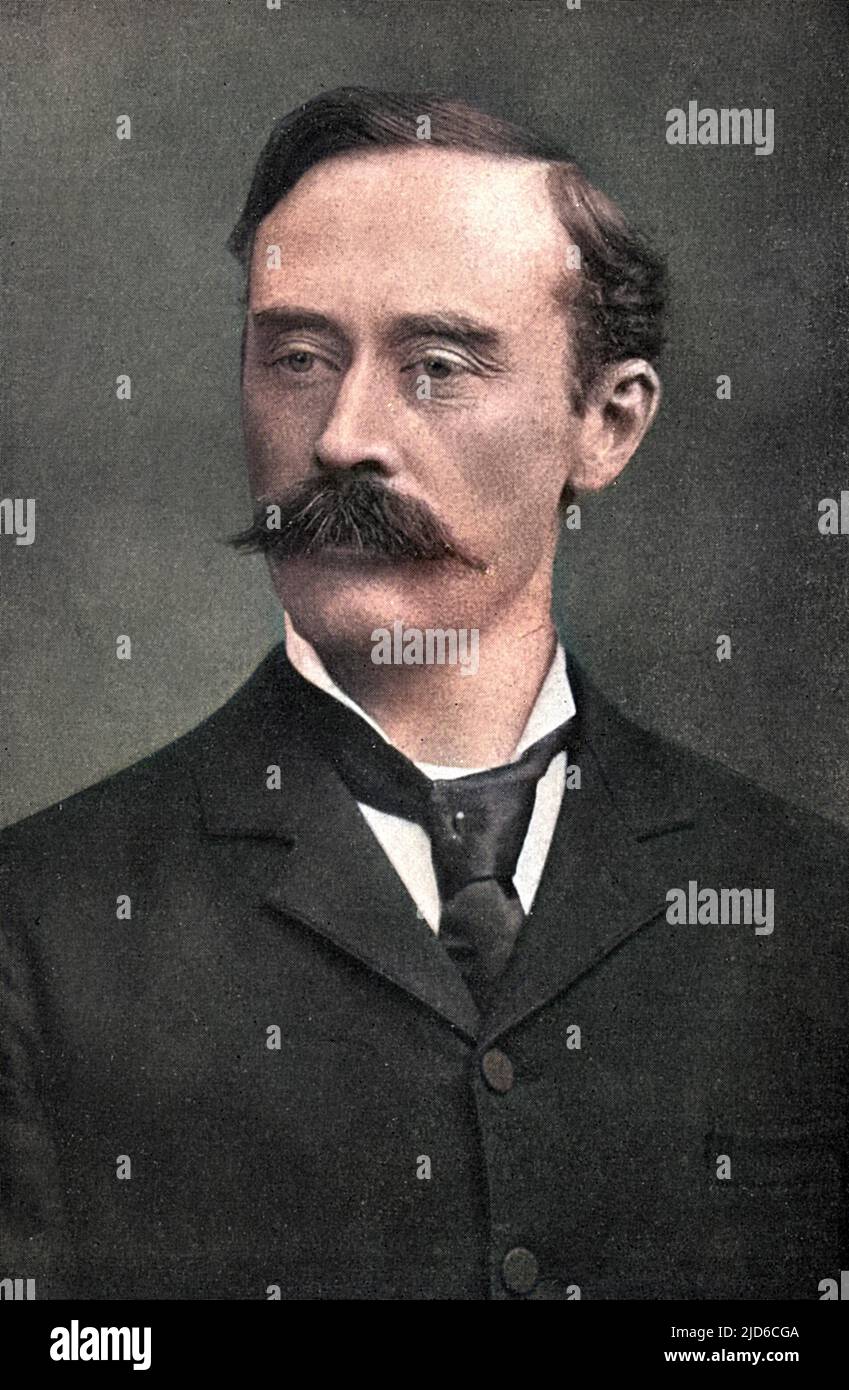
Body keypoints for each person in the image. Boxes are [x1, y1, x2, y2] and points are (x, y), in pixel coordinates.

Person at [1, 88, 846, 1301]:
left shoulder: (808, 911)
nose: (342, 437)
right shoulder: (40, 927)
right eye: (298, 358)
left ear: (607, 423)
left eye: (438, 366)